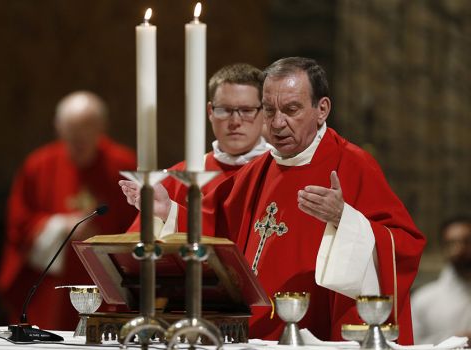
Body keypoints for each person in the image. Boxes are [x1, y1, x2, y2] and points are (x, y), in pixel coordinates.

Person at [120, 57, 425, 343]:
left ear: (322, 109)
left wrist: (345, 220)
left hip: (316, 337)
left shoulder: (352, 164)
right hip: (253, 335)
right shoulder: (257, 170)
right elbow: (217, 232)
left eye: (291, 110)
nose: (277, 123)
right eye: (269, 110)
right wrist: (167, 209)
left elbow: (405, 244)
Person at [0, 91, 138, 330]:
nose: (79, 136)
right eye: (71, 128)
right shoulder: (38, 166)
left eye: (87, 127)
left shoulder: (124, 165)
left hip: (107, 280)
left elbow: (140, 222)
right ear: (58, 127)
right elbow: (19, 225)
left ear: (103, 127)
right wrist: (61, 226)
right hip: (51, 287)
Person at [122, 63, 272, 233]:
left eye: (247, 110)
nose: (235, 122)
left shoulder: (278, 172)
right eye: (225, 110)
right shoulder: (176, 179)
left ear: (265, 112)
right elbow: (139, 249)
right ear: (210, 112)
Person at [411, 216, 471, 344]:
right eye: (452, 243)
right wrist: (455, 341)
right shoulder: (423, 300)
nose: (460, 249)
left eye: (467, 241)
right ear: (444, 248)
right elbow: (411, 344)